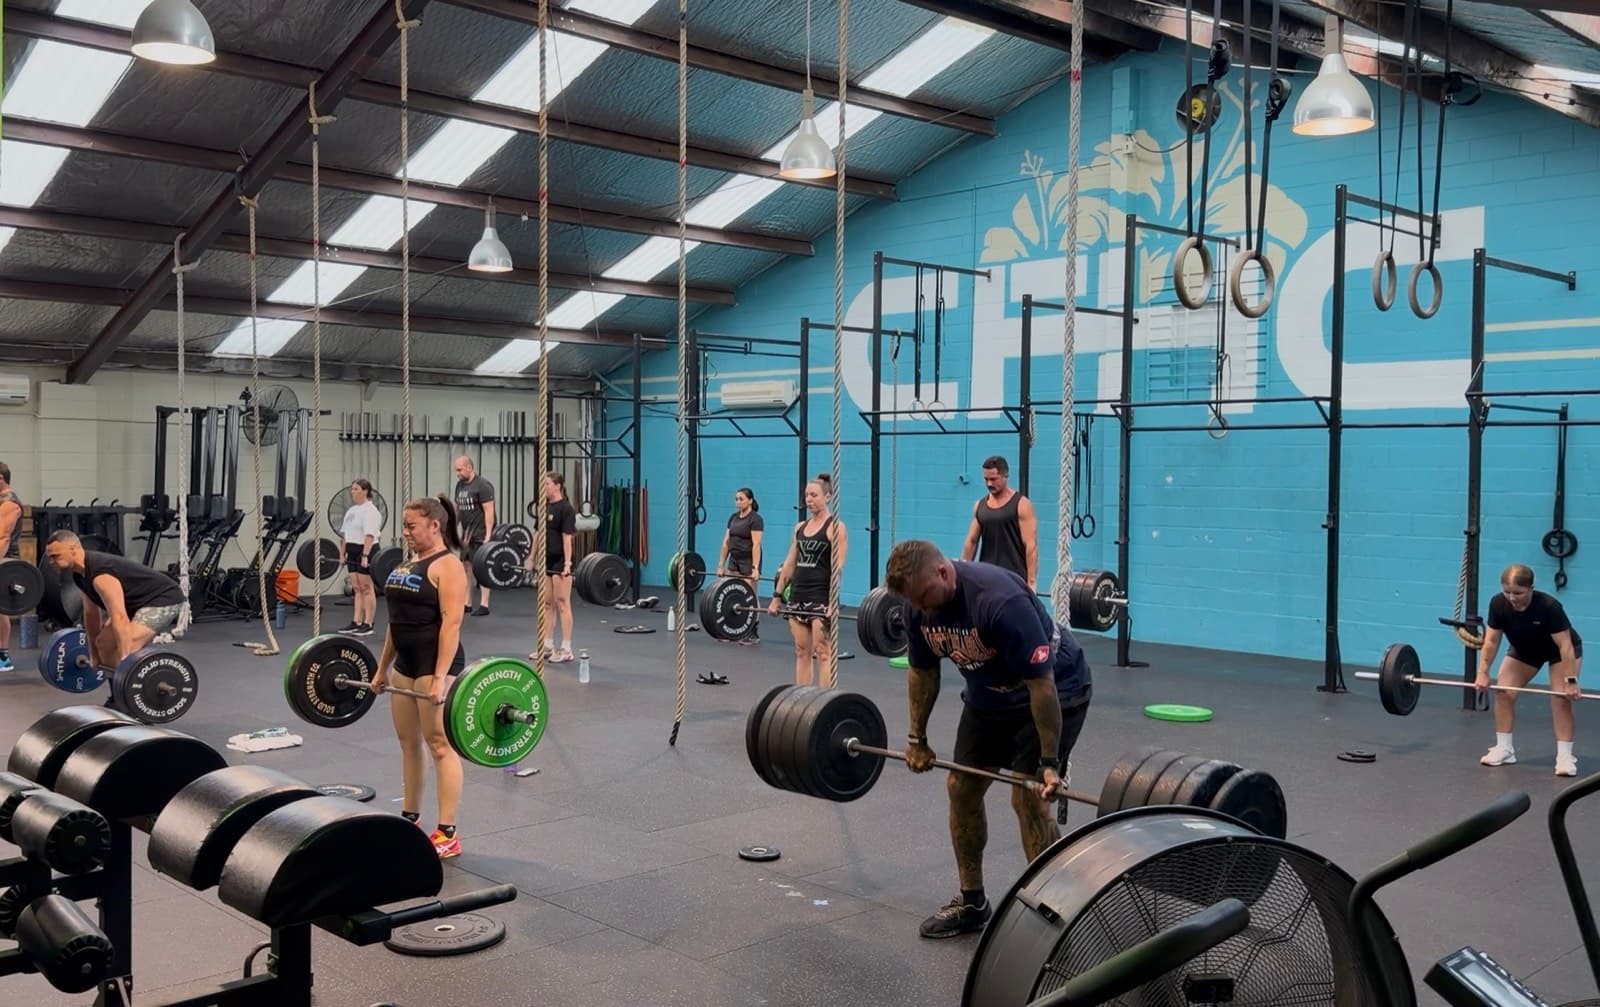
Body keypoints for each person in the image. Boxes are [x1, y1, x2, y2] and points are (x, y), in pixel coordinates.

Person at [884, 539, 1093, 940]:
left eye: (926, 597)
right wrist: (916, 737)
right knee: (961, 788)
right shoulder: (917, 606)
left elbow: (1041, 685)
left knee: (1027, 796)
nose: (923, 610)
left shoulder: (999, 600)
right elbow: (922, 672)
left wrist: (1049, 763)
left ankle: (1059, 914)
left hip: (1054, 690)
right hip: (988, 696)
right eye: (915, 603)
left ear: (943, 573)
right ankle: (973, 903)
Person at [373, 495, 468, 859]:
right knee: (408, 743)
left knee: (439, 745)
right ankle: (409, 819)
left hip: (434, 666)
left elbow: (452, 624)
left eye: (412, 526)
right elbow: (395, 624)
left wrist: (440, 677)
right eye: (405, 525)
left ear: (434, 525)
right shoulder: (408, 564)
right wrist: (382, 668)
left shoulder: (449, 567)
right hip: (405, 667)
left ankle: (447, 832)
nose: (406, 532)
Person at [1476, 562, 1582, 777]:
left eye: (1518, 592)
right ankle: (1505, 749)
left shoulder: (1549, 607)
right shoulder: (1498, 604)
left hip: (1558, 652)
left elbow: (1565, 646)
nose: (1512, 598)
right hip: (1525, 650)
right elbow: (1491, 641)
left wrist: (1571, 681)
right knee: (1503, 692)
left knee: (1560, 698)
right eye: (1507, 592)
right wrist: (1482, 671)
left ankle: (1565, 756)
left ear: (1531, 588)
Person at [43, 531, 186, 688]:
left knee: (127, 645)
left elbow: (119, 617)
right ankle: (117, 697)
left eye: (55, 556)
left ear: (73, 549)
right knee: (103, 643)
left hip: (162, 599)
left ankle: (131, 698)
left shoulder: (100, 574)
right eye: (50, 557)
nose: (51, 561)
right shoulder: (79, 575)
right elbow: (91, 616)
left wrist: (126, 661)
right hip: (134, 605)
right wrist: (94, 654)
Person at [770, 474, 847, 685]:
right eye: (806, 495)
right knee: (801, 651)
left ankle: (825, 704)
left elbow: (837, 568)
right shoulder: (800, 528)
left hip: (821, 597)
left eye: (814, 495)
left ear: (828, 496)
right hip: (798, 595)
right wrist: (777, 597)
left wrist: (832, 602)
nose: (809, 499)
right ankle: (802, 701)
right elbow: (789, 564)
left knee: (822, 652)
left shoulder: (835, 527)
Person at [960, 455, 1038, 590]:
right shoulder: (980, 505)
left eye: (993, 479)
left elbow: (1030, 546)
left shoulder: (1022, 504)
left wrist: (1031, 582)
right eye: (986, 479)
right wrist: (962, 573)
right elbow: (971, 541)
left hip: (1014, 579)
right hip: (986, 577)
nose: (989, 484)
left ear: (1005, 476)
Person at [535, 472, 577, 664]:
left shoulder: (566, 509)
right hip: (546, 560)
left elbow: (567, 538)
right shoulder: (543, 507)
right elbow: (537, 534)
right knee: (547, 604)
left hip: (561, 561)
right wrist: (531, 557)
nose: (544, 488)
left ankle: (566, 648)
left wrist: (567, 564)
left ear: (558, 485)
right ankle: (547, 645)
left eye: (547, 485)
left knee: (562, 603)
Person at [715, 487, 764, 646]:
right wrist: (721, 565)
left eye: (741, 499)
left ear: (750, 500)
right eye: (736, 499)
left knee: (749, 595)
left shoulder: (755, 519)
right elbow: (725, 542)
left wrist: (755, 568)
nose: (738, 502)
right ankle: (731, 629)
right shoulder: (733, 518)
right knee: (732, 592)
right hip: (734, 558)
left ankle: (752, 632)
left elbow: (756, 545)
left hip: (749, 560)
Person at [338, 478, 383, 637]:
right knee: (356, 588)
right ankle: (356, 622)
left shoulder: (371, 511)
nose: (353, 492)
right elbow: (344, 535)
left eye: (356, 489)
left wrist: (365, 555)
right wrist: (342, 554)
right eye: (352, 489)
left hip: (367, 551)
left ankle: (368, 623)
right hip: (352, 551)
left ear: (365, 491)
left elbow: (369, 535)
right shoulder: (352, 511)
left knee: (366, 588)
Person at [452, 456, 496, 617]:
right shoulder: (460, 485)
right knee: (466, 567)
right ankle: (467, 603)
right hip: (467, 534)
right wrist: (451, 529)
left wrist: (488, 535)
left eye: (459, 470)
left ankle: (484, 604)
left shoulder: (483, 485)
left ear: (469, 467)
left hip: (481, 533)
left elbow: (489, 511)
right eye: (456, 470)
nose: (457, 473)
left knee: (482, 568)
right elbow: (458, 509)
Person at [0, 462, 21, 672]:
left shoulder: (10, 503)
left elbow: (3, 537)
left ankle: (3, 657)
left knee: (0, 608)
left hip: (5, 559)